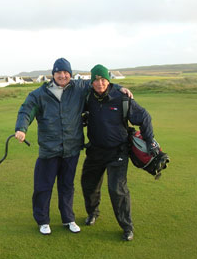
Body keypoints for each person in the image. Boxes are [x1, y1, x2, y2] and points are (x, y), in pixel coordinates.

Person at [14, 58, 132, 235]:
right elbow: (26, 110)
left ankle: (68, 218)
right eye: (59, 72)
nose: (62, 75)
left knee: (67, 186)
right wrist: (21, 128)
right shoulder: (39, 94)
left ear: (70, 74)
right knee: (43, 186)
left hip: (71, 149)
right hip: (49, 149)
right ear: (53, 74)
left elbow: (99, 82)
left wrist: (118, 87)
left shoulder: (78, 87)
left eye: (66, 72)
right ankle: (43, 221)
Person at [81, 64, 159, 241]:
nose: (100, 83)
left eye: (103, 79)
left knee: (117, 190)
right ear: (92, 82)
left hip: (118, 151)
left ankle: (127, 226)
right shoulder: (87, 97)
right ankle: (93, 213)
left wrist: (149, 140)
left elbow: (144, 117)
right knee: (89, 184)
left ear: (108, 80)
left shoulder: (121, 98)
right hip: (95, 151)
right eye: (96, 80)